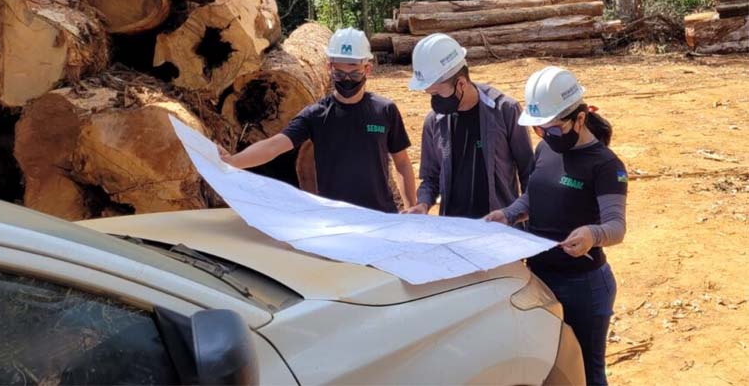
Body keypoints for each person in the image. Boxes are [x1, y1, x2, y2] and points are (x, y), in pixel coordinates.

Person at [485, 66, 628, 386]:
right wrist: (507, 215)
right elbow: (532, 199)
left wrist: (593, 234)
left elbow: (616, 226)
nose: (544, 136)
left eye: (551, 129)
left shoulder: (605, 165)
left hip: (583, 286)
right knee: (548, 364)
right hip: (539, 276)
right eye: (539, 130)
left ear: (580, 118)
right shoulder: (545, 148)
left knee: (587, 373)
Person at [219, 28, 416, 213]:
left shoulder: (384, 110)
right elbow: (274, 146)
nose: (347, 78)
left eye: (354, 71)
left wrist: (410, 208)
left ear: (367, 69)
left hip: (380, 217)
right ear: (329, 68)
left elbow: (403, 164)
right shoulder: (316, 115)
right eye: (339, 72)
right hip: (334, 220)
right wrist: (234, 161)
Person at [402, 33, 533, 219]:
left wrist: (517, 214)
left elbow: (529, 171)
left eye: (437, 94)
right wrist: (423, 204)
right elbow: (430, 178)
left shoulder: (504, 111)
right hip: (454, 232)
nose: (434, 101)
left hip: (500, 229)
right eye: (430, 94)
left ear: (461, 83)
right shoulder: (434, 122)